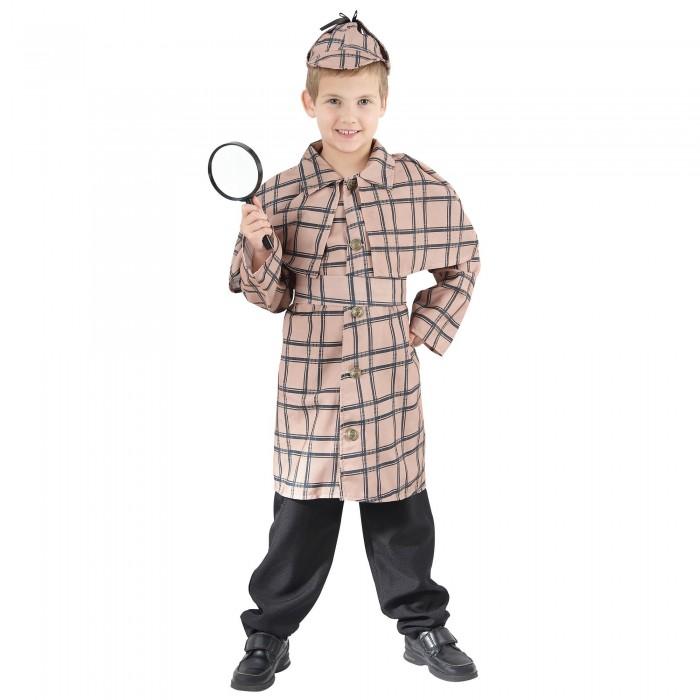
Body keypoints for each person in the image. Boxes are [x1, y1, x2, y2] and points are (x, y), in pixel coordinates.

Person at [227, 11, 482, 692]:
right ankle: (269, 633)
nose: (349, 116)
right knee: (299, 518)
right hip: (309, 389)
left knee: (400, 512)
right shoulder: (279, 193)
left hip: (386, 387)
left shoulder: (419, 187)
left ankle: (422, 625)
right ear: (309, 102)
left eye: (364, 100)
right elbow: (268, 295)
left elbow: (463, 259)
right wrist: (257, 246)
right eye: (334, 100)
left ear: (384, 102)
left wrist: (422, 328)